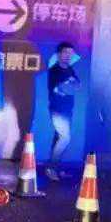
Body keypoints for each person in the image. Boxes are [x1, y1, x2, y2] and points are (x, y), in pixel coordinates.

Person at [46, 41, 81, 181]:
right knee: (65, 138)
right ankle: (51, 168)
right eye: (65, 52)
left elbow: (77, 85)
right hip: (57, 110)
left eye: (71, 53)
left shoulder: (70, 69)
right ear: (59, 54)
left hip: (68, 110)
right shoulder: (54, 70)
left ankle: (55, 168)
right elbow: (57, 89)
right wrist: (67, 84)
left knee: (58, 138)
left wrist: (72, 83)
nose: (68, 55)